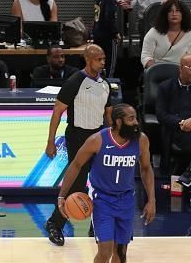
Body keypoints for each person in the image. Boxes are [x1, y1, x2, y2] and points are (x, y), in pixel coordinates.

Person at [57, 103, 155, 263]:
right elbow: (76, 164)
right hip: (102, 199)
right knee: (105, 250)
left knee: (121, 253)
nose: (136, 123)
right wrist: (62, 196)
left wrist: (151, 200)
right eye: (131, 119)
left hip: (127, 199)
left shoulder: (141, 140)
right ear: (118, 122)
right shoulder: (97, 140)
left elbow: (146, 168)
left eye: (135, 118)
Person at [44, 44, 113, 246]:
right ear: (87, 59)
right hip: (77, 136)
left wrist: (111, 140)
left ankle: (97, 225)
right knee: (77, 184)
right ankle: (54, 224)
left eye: (103, 59)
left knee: (103, 183)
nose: (102, 62)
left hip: (99, 136)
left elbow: (108, 114)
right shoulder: (75, 81)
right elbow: (57, 111)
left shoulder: (105, 84)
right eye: (98, 59)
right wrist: (50, 142)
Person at [156, 55, 191, 174]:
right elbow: (161, 114)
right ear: (181, 68)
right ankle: (189, 174)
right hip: (176, 129)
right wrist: (181, 123)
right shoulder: (165, 87)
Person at [141, 0, 191, 68]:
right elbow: (145, 56)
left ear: (183, 14)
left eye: (177, 11)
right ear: (165, 14)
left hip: (180, 73)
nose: (174, 14)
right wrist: (155, 69)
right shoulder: (154, 32)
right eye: (170, 11)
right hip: (156, 72)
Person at [93, 0, 120, 78]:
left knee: (98, 62)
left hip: (97, 32)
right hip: (107, 36)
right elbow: (109, 17)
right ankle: (109, 82)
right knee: (109, 63)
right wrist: (115, 33)